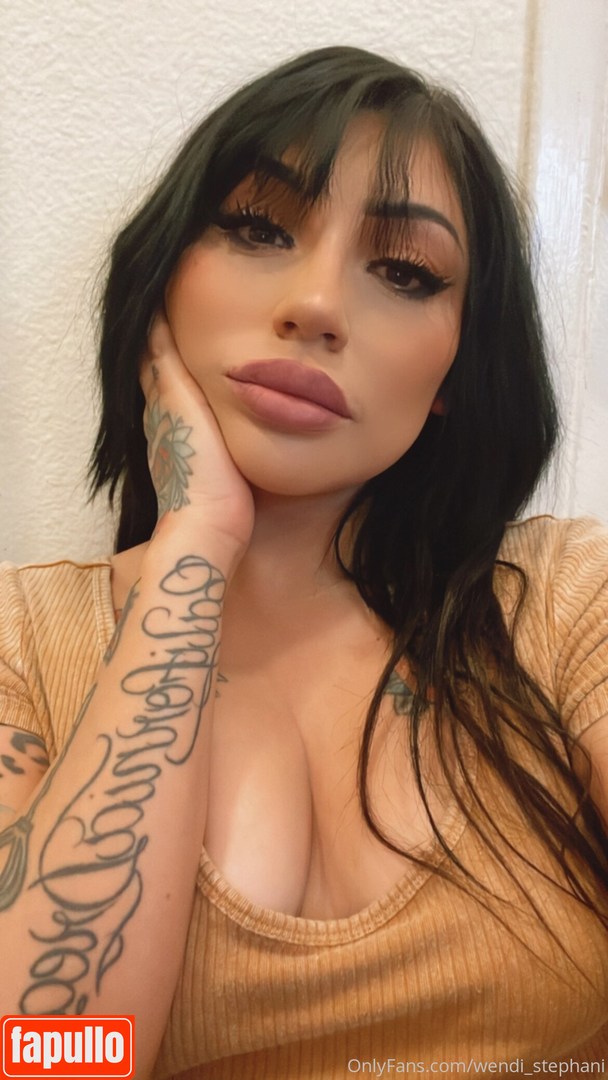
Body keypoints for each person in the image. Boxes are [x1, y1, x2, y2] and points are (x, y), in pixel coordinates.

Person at [0, 44, 607, 1079]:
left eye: (405, 273)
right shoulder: (22, 647)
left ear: (456, 371)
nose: (316, 304)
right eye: (255, 226)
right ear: (162, 281)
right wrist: (195, 543)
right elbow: (54, 1061)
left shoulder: (565, 602)